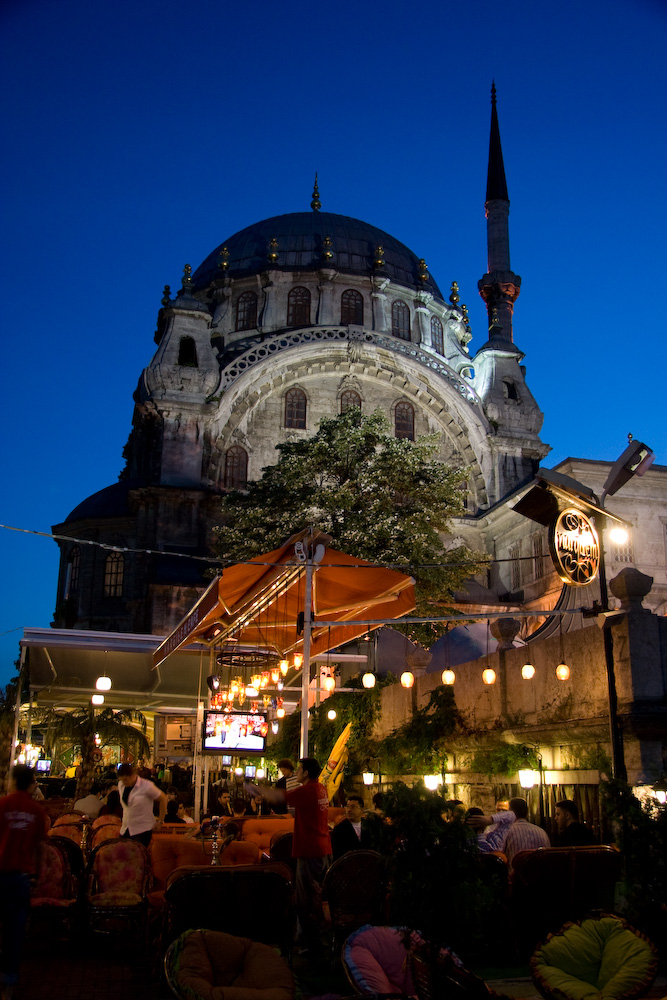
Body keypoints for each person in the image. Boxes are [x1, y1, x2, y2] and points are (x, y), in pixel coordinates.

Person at [247, 757, 332, 952]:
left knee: (306, 899)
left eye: (300, 769)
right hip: (322, 848)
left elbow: (280, 797)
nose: (297, 773)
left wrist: (258, 790)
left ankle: (312, 944)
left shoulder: (308, 791)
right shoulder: (321, 789)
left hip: (310, 850)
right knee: (316, 896)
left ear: (307, 773)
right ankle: (313, 939)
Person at [0, 765, 49, 999]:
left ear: (11, 781)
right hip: (21, 879)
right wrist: (36, 874)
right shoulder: (36, 811)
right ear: (31, 783)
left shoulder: (2, 805)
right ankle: (8, 983)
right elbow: (40, 847)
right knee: (14, 932)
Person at [117, 763, 167, 845]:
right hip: (126, 828)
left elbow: (163, 798)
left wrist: (160, 820)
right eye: (121, 779)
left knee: (137, 855)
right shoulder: (121, 785)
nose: (123, 782)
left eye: (125, 779)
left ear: (132, 775)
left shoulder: (146, 786)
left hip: (142, 829)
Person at [501, 797, 550, 869]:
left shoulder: (506, 832)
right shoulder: (541, 832)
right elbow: (548, 857)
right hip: (539, 878)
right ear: (527, 812)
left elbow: (500, 857)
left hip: (515, 877)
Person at [331, 795, 370, 859]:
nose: (349, 810)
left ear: (361, 810)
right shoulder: (340, 829)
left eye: (353, 807)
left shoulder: (369, 826)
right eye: (347, 807)